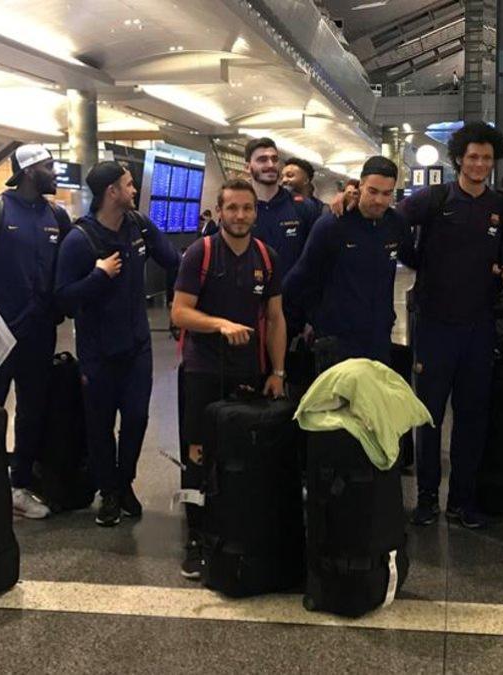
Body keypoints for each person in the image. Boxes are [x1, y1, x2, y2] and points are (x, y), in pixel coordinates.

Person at [397, 121, 503, 530]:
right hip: (433, 326)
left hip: (478, 328)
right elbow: (393, 223)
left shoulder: (500, 206)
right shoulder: (434, 199)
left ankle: (462, 501)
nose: (480, 164)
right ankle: (427, 499)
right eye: (473, 157)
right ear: (458, 160)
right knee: (428, 416)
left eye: (487, 157)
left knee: (472, 417)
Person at [171, 178, 287, 579]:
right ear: (219, 212)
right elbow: (180, 313)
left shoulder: (267, 257)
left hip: (247, 371)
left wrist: (277, 372)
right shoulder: (199, 255)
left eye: (247, 208)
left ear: (256, 212)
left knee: (242, 452)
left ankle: (236, 527)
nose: (240, 216)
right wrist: (220, 324)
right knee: (197, 455)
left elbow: (275, 318)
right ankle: (196, 536)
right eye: (232, 208)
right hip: (202, 371)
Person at [56, 162, 180, 526]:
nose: (133, 190)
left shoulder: (138, 226)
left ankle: (123, 481)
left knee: (138, 418)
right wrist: (98, 276)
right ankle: (108, 491)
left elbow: (173, 260)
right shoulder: (80, 240)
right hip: (98, 353)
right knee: (100, 425)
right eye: (128, 185)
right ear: (111, 191)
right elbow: (62, 299)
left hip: (137, 347)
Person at [0, 144, 71, 520]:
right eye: (49, 166)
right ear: (28, 171)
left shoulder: (57, 215)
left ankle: (19, 483)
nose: (55, 173)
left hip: (39, 333)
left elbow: (67, 272)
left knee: (32, 410)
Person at [283, 156, 409, 365]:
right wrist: (303, 322)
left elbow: (414, 258)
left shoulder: (396, 225)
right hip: (336, 340)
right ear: (360, 186)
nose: (379, 200)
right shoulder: (332, 225)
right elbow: (299, 279)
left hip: (378, 338)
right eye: (373, 191)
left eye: (386, 193)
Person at [242, 138, 322, 283]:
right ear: (247, 167)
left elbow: (317, 257)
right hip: (250, 299)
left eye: (274, 159)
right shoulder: (240, 209)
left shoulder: (304, 207)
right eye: (262, 160)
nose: (270, 165)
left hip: (293, 300)